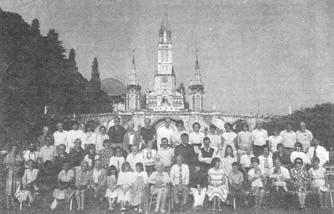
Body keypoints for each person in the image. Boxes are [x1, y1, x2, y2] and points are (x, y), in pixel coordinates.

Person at [4, 144, 24, 209]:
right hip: (10, 174)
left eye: (16, 148)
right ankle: (8, 204)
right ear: (11, 149)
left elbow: (22, 162)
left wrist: (18, 168)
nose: (14, 149)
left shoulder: (19, 156)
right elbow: (5, 164)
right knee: (9, 188)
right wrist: (8, 167)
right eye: (13, 148)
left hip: (17, 174)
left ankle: (13, 204)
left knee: (15, 188)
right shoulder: (8, 155)